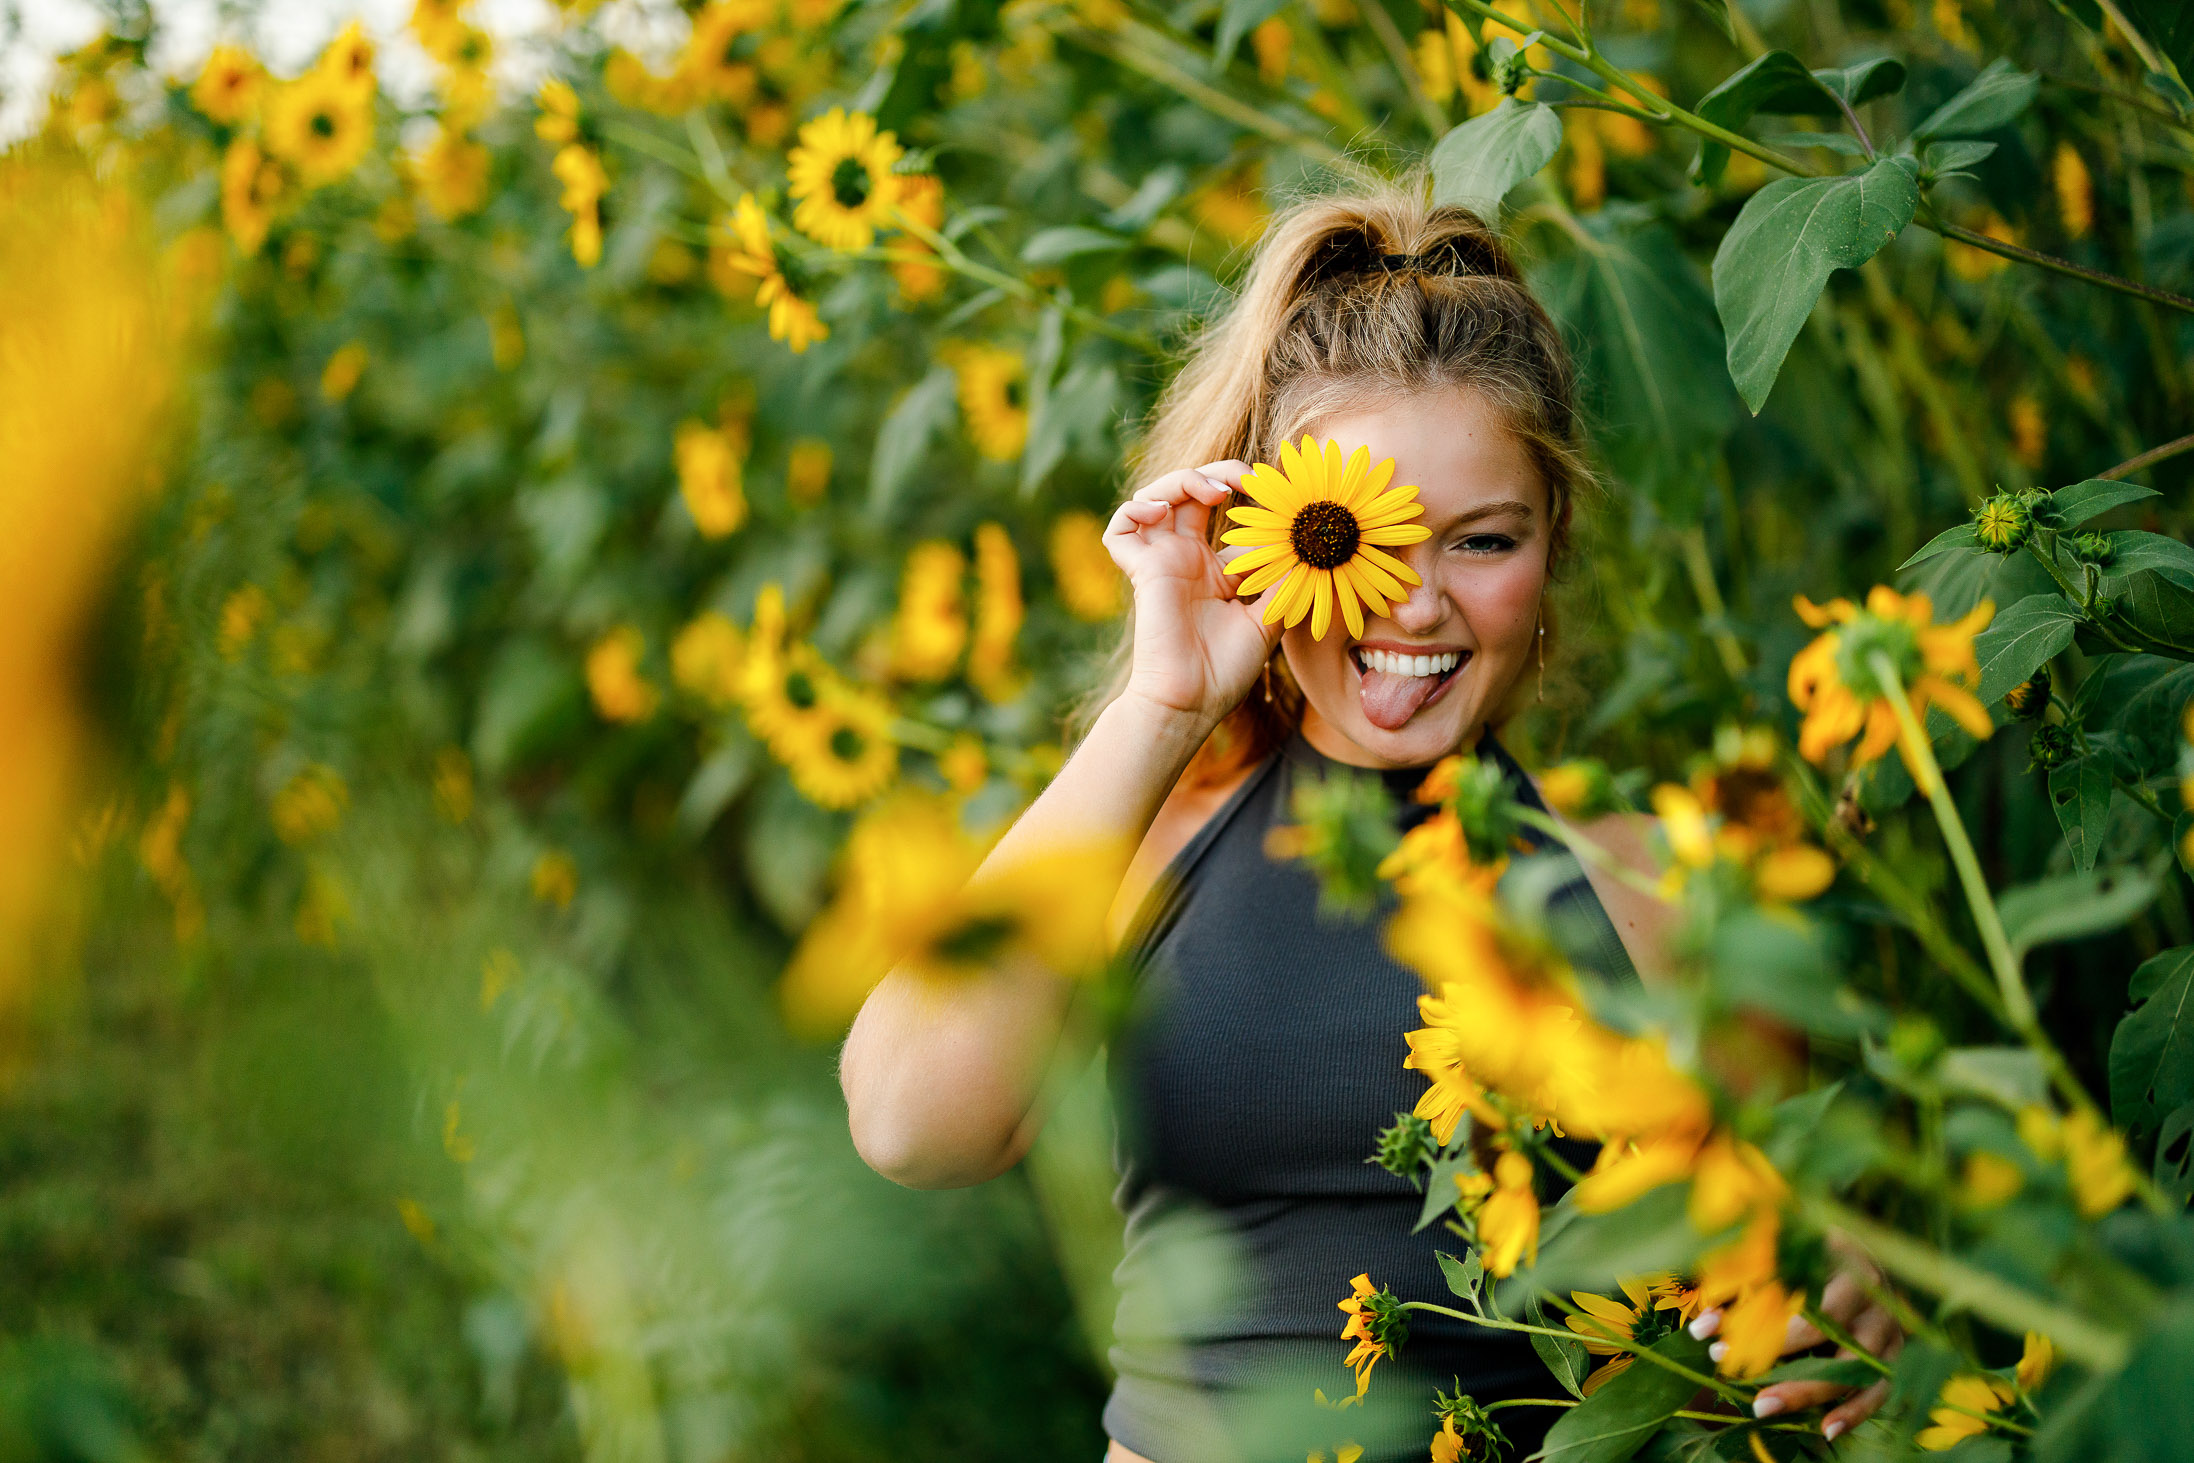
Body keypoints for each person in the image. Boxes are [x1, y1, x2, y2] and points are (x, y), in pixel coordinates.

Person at [839, 185, 1896, 1462]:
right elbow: (909, 1123)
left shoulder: (1661, 892)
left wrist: (1840, 1295)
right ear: (1268, 544)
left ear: (1553, 540)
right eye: (1359, 542)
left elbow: (1772, 1271)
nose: (1416, 604)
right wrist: (1163, 702)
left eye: (1481, 540)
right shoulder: (1146, 847)